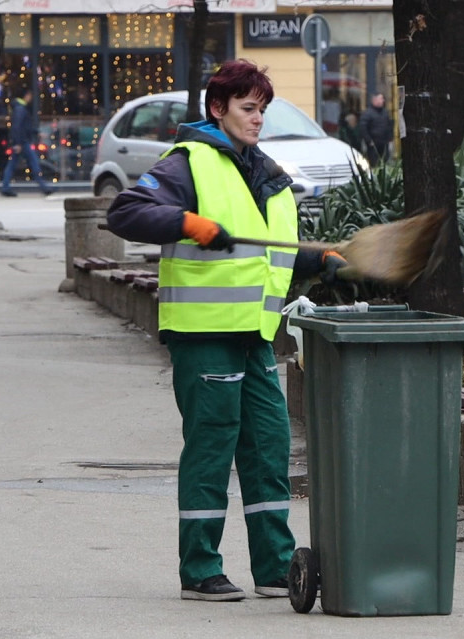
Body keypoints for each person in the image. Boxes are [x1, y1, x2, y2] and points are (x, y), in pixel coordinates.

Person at [106, 59, 350, 602]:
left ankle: (275, 567)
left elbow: (268, 249)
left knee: (268, 446)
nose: (258, 118)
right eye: (248, 108)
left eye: (262, 109)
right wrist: (188, 223)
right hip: (204, 333)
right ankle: (200, 568)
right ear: (218, 109)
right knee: (212, 449)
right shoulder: (187, 164)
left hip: (256, 336)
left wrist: (319, 260)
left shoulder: (266, 174)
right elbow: (126, 212)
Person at [1, 88, 52, 197]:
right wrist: (18, 143)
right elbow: (18, 127)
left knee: (13, 164)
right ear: (26, 95)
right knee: (34, 163)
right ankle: (44, 187)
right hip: (22, 142)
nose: (31, 98)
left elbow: (22, 126)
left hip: (21, 141)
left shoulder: (19, 108)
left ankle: (6, 187)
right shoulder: (21, 109)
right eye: (30, 95)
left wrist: (35, 133)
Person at [360, 92, 393, 166]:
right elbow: (363, 128)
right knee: (374, 163)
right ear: (375, 100)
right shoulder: (367, 113)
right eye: (381, 99)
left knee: (385, 162)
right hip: (373, 144)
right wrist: (368, 140)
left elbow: (389, 125)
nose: (383, 101)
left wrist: (390, 137)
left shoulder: (385, 112)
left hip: (384, 143)